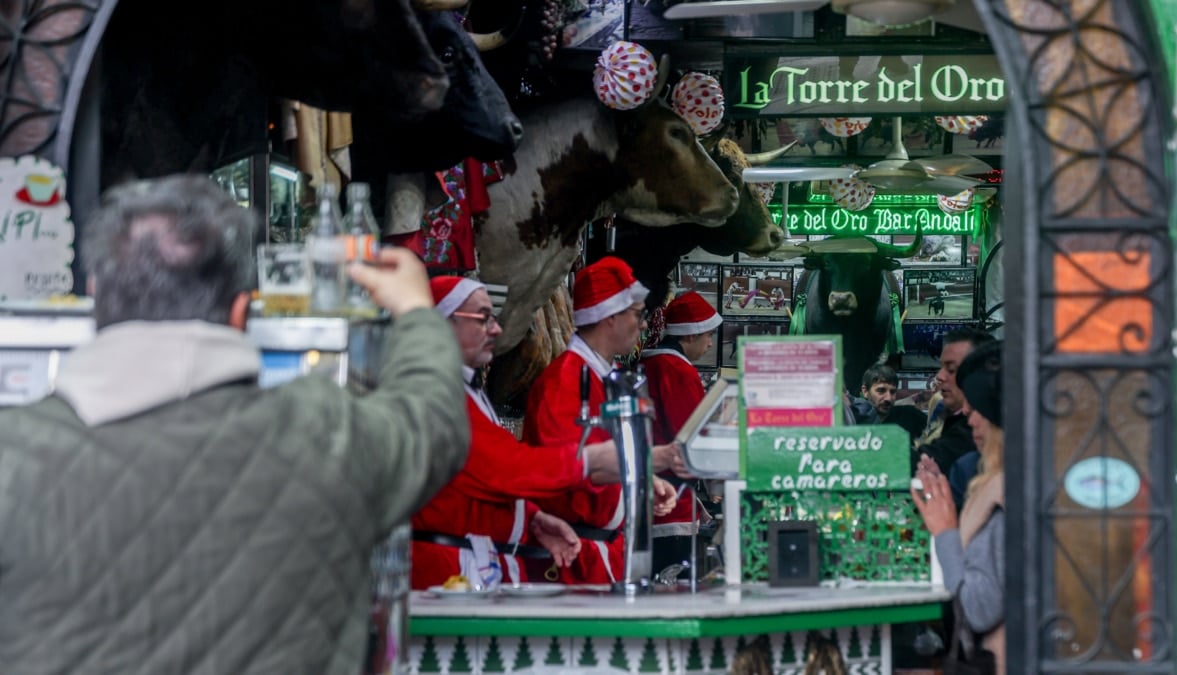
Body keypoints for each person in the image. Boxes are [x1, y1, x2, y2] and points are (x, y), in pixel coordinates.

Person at [0, 174, 470, 673]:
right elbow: (433, 419)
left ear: (96, 296)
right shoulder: (323, 434)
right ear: (242, 311)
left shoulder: (14, 453)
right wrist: (417, 310)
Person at [411, 276, 653, 590]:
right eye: (484, 319)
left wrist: (531, 519)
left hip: (469, 565)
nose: (496, 330)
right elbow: (502, 468)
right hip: (447, 573)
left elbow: (479, 482)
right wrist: (587, 461)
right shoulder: (436, 395)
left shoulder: (459, 390)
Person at [523, 256, 680, 585]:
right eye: (638, 314)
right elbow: (568, 467)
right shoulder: (564, 381)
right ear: (611, 317)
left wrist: (642, 483)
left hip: (599, 552)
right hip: (572, 561)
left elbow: (597, 456)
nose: (644, 325)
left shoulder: (601, 377)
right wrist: (649, 461)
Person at [912, 340, 1006, 674]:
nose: (968, 414)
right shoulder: (990, 479)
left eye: (977, 406)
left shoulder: (1003, 496)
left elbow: (979, 608)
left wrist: (945, 530)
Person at [639, 291, 722, 573]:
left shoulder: (647, 364)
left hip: (646, 494)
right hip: (672, 499)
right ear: (690, 336)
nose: (710, 343)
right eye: (708, 335)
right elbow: (690, 433)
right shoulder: (678, 371)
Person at [914, 327, 996, 475]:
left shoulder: (974, 432)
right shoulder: (946, 413)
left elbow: (920, 463)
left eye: (951, 369)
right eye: (941, 367)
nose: (939, 376)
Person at [850, 363, 928, 445]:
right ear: (865, 391)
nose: (888, 398)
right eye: (881, 391)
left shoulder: (910, 416)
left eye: (893, 392)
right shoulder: (855, 421)